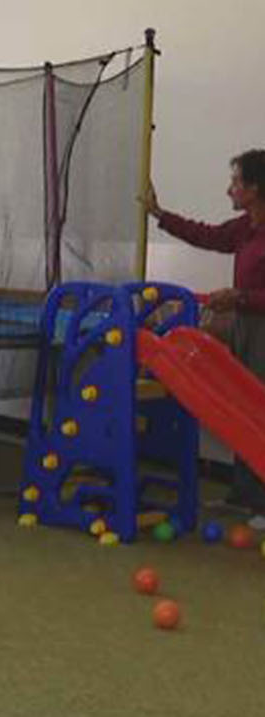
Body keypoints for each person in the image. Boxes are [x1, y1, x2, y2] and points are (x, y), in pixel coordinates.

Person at [144, 149, 265, 527]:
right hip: (245, 325)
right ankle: (244, 495)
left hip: (260, 326)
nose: (229, 189)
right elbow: (206, 235)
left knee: (259, 409)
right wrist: (160, 215)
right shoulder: (244, 227)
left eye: (235, 182)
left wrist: (240, 297)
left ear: (255, 188)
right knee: (242, 407)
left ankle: (262, 501)